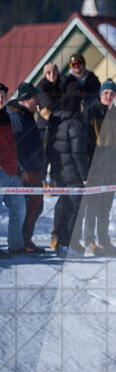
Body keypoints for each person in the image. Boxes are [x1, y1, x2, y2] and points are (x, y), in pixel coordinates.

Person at [81, 79, 116, 255]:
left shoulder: (115, 114)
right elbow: (84, 143)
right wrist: (85, 172)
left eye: (112, 94)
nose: (109, 96)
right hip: (94, 169)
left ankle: (104, 240)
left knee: (106, 207)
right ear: (100, 94)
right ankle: (90, 241)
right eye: (106, 93)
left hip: (109, 170)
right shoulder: (91, 111)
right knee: (92, 206)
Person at [50, 81, 90, 255]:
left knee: (63, 205)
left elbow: (51, 150)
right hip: (73, 174)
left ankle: (58, 240)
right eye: (82, 103)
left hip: (60, 172)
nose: (83, 106)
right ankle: (68, 244)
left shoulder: (57, 121)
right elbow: (78, 153)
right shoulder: (74, 123)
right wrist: (85, 175)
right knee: (76, 208)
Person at [8, 83, 46, 252]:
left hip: (34, 170)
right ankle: (21, 241)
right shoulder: (16, 117)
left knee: (36, 206)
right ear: (25, 99)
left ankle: (26, 239)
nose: (38, 100)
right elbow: (16, 148)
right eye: (34, 97)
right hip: (25, 172)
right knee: (26, 207)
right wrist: (23, 172)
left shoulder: (27, 115)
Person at [0, 85, 26, 257]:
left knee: (19, 208)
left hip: (11, 171)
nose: (0, 99)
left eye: (2, 96)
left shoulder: (6, 117)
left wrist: (18, 169)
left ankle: (16, 245)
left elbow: (12, 146)